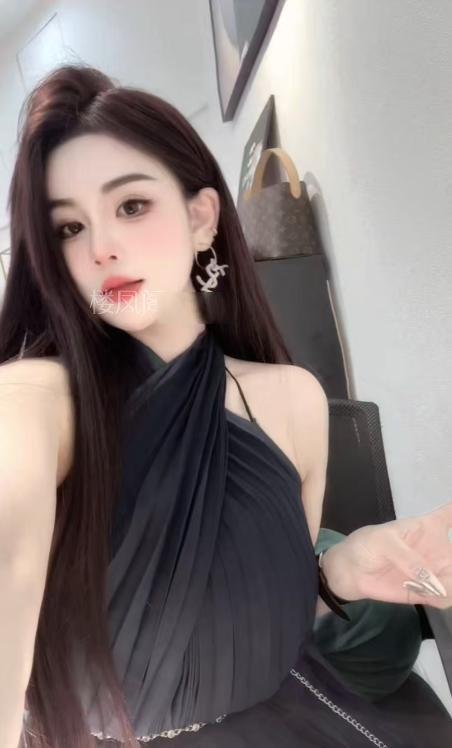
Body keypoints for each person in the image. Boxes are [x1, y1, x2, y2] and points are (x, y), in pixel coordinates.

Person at [0, 63, 451, 748]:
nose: (101, 249)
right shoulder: (40, 400)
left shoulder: (293, 399)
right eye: (68, 228)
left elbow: (265, 612)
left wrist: (338, 572)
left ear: (201, 217)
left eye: (131, 206)